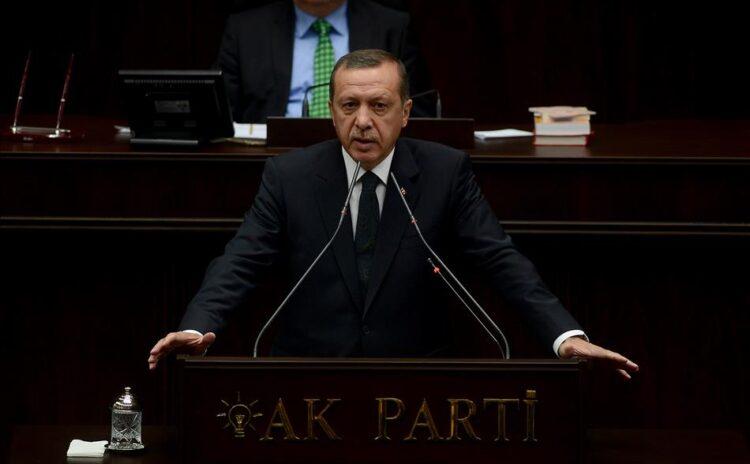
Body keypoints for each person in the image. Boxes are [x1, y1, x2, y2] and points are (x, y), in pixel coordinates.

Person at [149, 49, 639, 380]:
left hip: (418, 379)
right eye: (349, 105)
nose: (362, 121)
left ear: (405, 113)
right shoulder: (290, 175)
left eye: (378, 106)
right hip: (307, 378)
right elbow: (241, 260)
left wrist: (565, 336)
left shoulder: (445, 172)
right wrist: (196, 328)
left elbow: (501, 261)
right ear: (332, 112)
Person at [217, 0, 432, 122]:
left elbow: (419, 115)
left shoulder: (392, 27)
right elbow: (219, 116)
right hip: (270, 158)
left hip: (367, 156)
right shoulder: (245, 30)